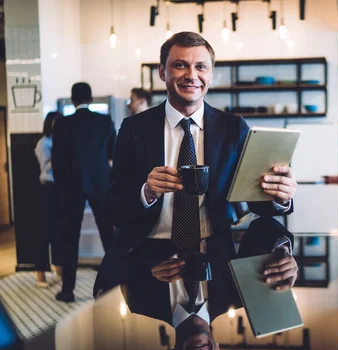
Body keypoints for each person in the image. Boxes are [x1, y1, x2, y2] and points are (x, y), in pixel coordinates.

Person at [93, 31, 297, 297]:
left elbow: (257, 201)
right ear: (162, 72)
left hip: (217, 257)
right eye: (180, 65)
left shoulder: (234, 128)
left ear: (210, 74)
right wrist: (146, 192)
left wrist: (280, 195)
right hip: (146, 256)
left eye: (201, 66)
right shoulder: (134, 129)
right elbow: (112, 208)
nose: (192, 75)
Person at [121, 217, 298, 350]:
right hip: (210, 193)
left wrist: (146, 269)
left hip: (157, 197)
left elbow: (118, 246)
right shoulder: (238, 295)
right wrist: (281, 251)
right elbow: (263, 226)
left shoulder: (139, 302)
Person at [52, 82, 116, 302]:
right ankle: (113, 286)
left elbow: (57, 161)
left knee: (70, 238)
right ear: (90, 99)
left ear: (72, 99)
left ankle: (68, 290)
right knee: (108, 236)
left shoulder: (61, 124)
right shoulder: (104, 121)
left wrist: (61, 189)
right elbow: (111, 154)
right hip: (101, 185)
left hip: (71, 187)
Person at [33, 111, 63, 288]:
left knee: (59, 231)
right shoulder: (43, 143)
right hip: (47, 188)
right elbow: (47, 166)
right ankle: (40, 274)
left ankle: (58, 270)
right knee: (44, 232)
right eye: (56, 123)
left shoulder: (57, 142)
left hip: (59, 189)